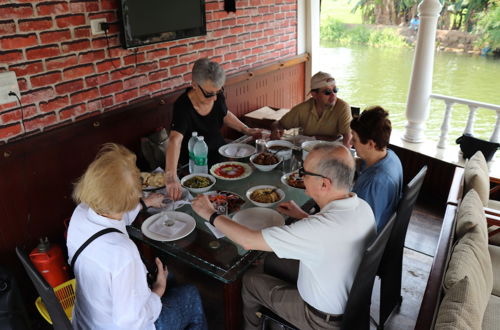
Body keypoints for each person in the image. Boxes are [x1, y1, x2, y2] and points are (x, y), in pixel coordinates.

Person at [192, 143, 376, 330]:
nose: (300, 176)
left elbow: (248, 241)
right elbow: (331, 236)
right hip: (351, 303)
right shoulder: (363, 207)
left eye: (305, 172)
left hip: (320, 320)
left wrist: (210, 214)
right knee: (271, 259)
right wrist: (304, 217)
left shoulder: (316, 230)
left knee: (249, 280)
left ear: (324, 183)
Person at [67, 143, 207, 330]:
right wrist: (158, 290)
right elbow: (132, 322)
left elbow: (114, 217)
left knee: (169, 274)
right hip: (121, 325)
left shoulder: (81, 213)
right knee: (190, 294)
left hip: (88, 320)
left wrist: (144, 202)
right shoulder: (123, 253)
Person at [165, 58, 261, 200]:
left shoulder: (216, 94)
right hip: (195, 164)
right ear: (194, 85)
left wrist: (247, 130)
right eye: (210, 94)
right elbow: (175, 139)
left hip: (219, 155)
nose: (215, 98)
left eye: (219, 91)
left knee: (234, 195)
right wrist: (171, 176)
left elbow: (224, 113)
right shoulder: (182, 106)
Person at [350, 106, 403, 232]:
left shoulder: (373, 183)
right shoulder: (390, 157)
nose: (351, 143)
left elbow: (359, 231)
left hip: (365, 240)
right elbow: (362, 165)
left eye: (355, 139)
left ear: (370, 144)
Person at [271, 71, 352, 147]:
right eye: (327, 92)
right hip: (307, 147)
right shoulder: (302, 109)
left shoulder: (342, 107)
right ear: (314, 94)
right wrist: (276, 130)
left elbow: (348, 139)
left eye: (335, 90)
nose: (333, 95)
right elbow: (278, 124)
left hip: (332, 148)